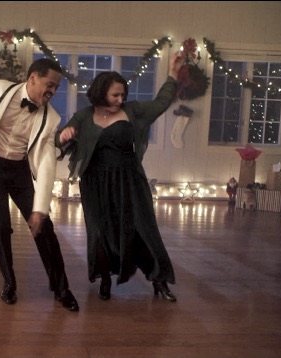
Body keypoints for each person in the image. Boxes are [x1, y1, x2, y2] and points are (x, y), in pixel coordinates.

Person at [55, 50, 185, 302]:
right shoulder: (84, 116)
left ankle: (159, 280)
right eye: (115, 94)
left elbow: (161, 103)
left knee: (142, 229)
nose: (120, 99)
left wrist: (172, 73)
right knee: (100, 232)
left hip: (129, 180)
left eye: (122, 94)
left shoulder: (133, 110)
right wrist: (63, 136)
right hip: (95, 183)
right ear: (101, 92)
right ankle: (105, 279)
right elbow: (59, 138)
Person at [0, 58, 79, 312]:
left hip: (19, 170)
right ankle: (9, 283)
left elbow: (47, 163)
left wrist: (40, 209)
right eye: (50, 84)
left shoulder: (51, 118)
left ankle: (62, 289)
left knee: (44, 229)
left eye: (57, 88)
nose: (53, 91)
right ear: (33, 78)